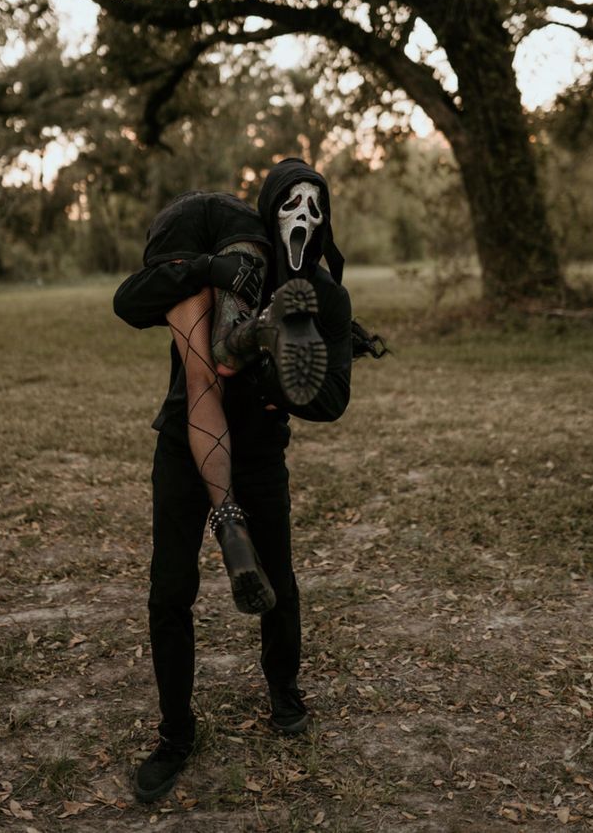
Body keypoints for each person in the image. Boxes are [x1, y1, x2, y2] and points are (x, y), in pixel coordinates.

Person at [114, 159, 376, 803]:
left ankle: (284, 694)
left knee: (279, 581)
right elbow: (129, 301)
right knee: (169, 589)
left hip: (258, 451)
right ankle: (176, 733)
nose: (304, 219)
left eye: (317, 209)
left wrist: (271, 375)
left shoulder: (327, 296)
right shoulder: (230, 265)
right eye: (291, 203)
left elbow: (332, 398)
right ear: (265, 211)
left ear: (327, 222)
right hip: (184, 444)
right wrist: (207, 268)